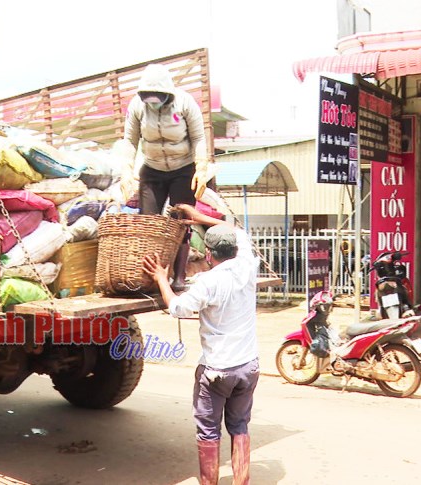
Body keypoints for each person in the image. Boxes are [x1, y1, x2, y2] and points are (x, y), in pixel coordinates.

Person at [143, 204, 258, 485]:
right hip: (248, 367)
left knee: (208, 431)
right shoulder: (248, 263)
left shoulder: (208, 282)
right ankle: (241, 482)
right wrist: (202, 218)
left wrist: (161, 278)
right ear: (233, 249)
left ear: (208, 254)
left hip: (218, 370)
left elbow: (178, 308)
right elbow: (238, 231)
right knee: (240, 425)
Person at [123, 63, 214, 290]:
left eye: (158, 96)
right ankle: (153, 279)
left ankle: (179, 276)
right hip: (152, 169)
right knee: (150, 224)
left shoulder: (184, 103)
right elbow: (130, 140)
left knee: (180, 222)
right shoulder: (136, 106)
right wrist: (126, 169)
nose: (153, 101)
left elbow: (199, 138)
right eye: (149, 97)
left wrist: (201, 168)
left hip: (183, 169)